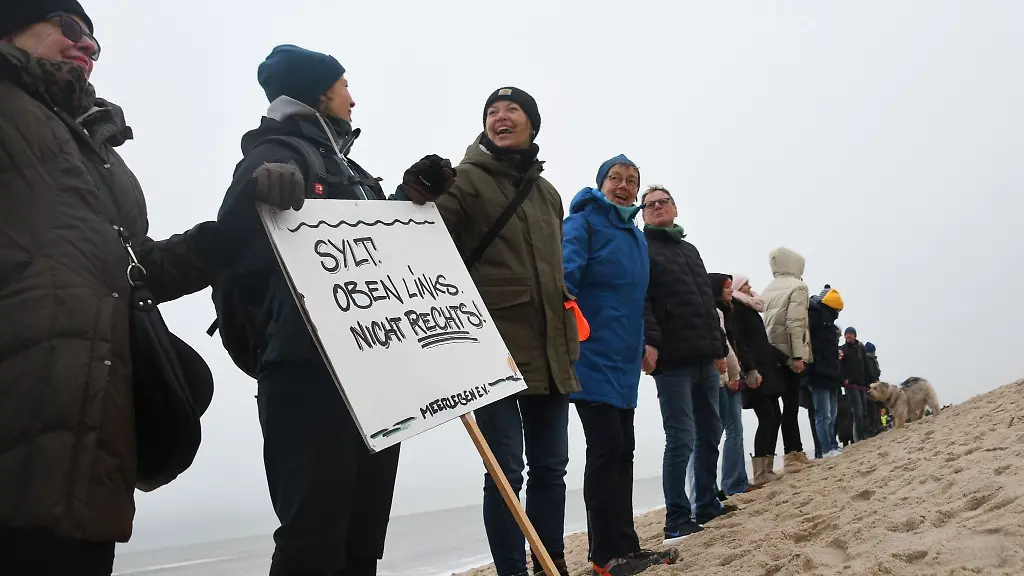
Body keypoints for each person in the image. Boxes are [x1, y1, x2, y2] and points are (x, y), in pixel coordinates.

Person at [0, 3, 246, 573]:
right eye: (69, 27)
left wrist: (236, 231)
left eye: (95, 41)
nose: (86, 45)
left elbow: (135, 269)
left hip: (93, 447)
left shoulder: (103, 153)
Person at [214, 44, 456, 576]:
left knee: (363, 531)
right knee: (314, 532)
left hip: (373, 376)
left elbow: (371, 257)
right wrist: (259, 188)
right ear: (322, 92)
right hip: (306, 372)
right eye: (345, 86)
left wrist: (405, 200)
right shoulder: (275, 152)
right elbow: (232, 245)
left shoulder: (349, 167)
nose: (352, 97)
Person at [401, 87, 579, 576]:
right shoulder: (465, 181)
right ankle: (511, 571)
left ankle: (551, 563)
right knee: (504, 474)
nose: (501, 118)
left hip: (551, 346)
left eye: (512, 110)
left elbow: (556, 271)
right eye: (492, 112)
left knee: (552, 469)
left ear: (532, 124)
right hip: (490, 347)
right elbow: (421, 233)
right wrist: (417, 193)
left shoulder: (547, 194)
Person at [563, 157, 677, 576]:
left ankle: (626, 548)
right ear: (601, 184)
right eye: (616, 179)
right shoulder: (583, 223)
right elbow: (565, 280)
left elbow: (639, 297)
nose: (624, 186)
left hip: (624, 361)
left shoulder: (634, 235)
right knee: (606, 449)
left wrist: (648, 341)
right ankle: (604, 555)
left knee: (623, 451)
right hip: (590, 356)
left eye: (632, 181)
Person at [640, 185, 729, 542]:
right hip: (671, 359)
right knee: (680, 437)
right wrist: (650, 342)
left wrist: (720, 348)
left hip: (705, 356)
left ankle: (706, 503)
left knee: (712, 430)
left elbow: (707, 305)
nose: (658, 207)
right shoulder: (642, 248)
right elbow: (642, 300)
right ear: (643, 214)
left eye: (664, 202)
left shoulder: (690, 249)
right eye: (651, 205)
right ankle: (676, 518)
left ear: (675, 208)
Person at [731, 275, 788, 486]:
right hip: (754, 373)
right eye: (746, 284)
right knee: (767, 417)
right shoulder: (737, 310)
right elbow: (741, 344)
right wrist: (750, 370)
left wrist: (784, 358)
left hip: (767, 370)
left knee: (775, 416)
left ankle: (768, 468)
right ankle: (760, 473)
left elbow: (762, 344)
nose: (750, 286)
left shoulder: (751, 310)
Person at [760, 247, 813, 471]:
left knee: (781, 407)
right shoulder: (798, 287)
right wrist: (798, 355)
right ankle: (793, 454)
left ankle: (794, 451)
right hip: (789, 355)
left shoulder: (767, 289)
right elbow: (794, 323)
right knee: (791, 405)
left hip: (772, 354)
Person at [707, 273, 754, 496]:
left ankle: (733, 482)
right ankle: (732, 483)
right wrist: (734, 375)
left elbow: (737, 345)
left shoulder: (729, 311)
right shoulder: (716, 313)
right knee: (727, 431)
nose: (730, 290)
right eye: (726, 287)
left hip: (730, 375)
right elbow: (726, 347)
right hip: (725, 378)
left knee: (728, 431)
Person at [805, 285, 845, 458]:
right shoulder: (815, 316)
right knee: (823, 414)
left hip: (830, 371)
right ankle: (826, 449)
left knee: (832, 414)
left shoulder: (828, 322)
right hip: (819, 371)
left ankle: (832, 445)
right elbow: (806, 341)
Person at [840, 327, 871, 441]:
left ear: (855, 335)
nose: (848, 336)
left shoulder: (861, 347)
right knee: (858, 410)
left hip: (862, 383)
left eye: (850, 334)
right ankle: (860, 436)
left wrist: (869, 381)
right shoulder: (842, 349)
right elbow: (840, 366)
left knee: (864, 409)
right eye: (846, 334)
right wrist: (844, 379)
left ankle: (865, 433)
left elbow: (865, 364)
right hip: (851, 384)